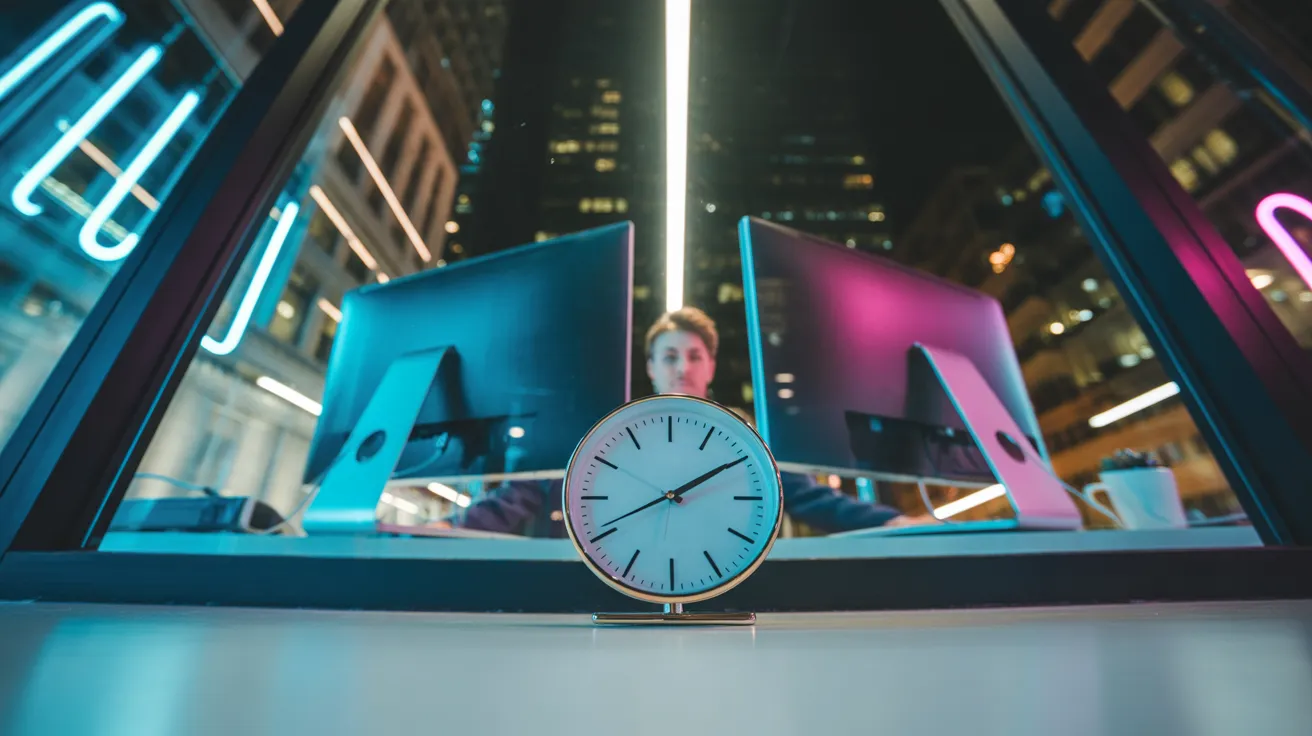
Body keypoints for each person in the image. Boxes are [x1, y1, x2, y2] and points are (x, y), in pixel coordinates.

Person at [452, 307, 934, 537]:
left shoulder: (743, 432)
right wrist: (451, 531)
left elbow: (805, 496)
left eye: (693, 355)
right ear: (650, 367)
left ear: (710, 366)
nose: (681, 366)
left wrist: (898, 524)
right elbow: (531, 492)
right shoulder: (620, 432)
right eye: (669, 355)